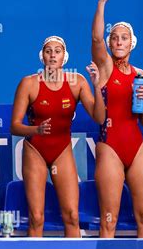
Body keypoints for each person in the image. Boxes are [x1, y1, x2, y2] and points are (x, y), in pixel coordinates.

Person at [10, 35, 98, 237]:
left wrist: (98, 86)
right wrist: (35, 130)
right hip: (35, 150)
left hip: (62, 149)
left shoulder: (77, 82)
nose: (52, 55)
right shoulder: (29, 84)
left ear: (64, 57)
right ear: (42, 57)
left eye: (57, 51)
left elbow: (98, 116)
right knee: (37, 217)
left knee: (72, 216)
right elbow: (14, 126)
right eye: (48, 51)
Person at [90, 0, 143, 238]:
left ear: (132, 43)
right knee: (109, 219)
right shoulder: (105, 67)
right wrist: (102, 3)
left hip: (136, 144)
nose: (118, 41)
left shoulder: (142, 76)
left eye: (123, 37)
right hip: (110, 145)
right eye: (114, 37)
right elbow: (96, 39)